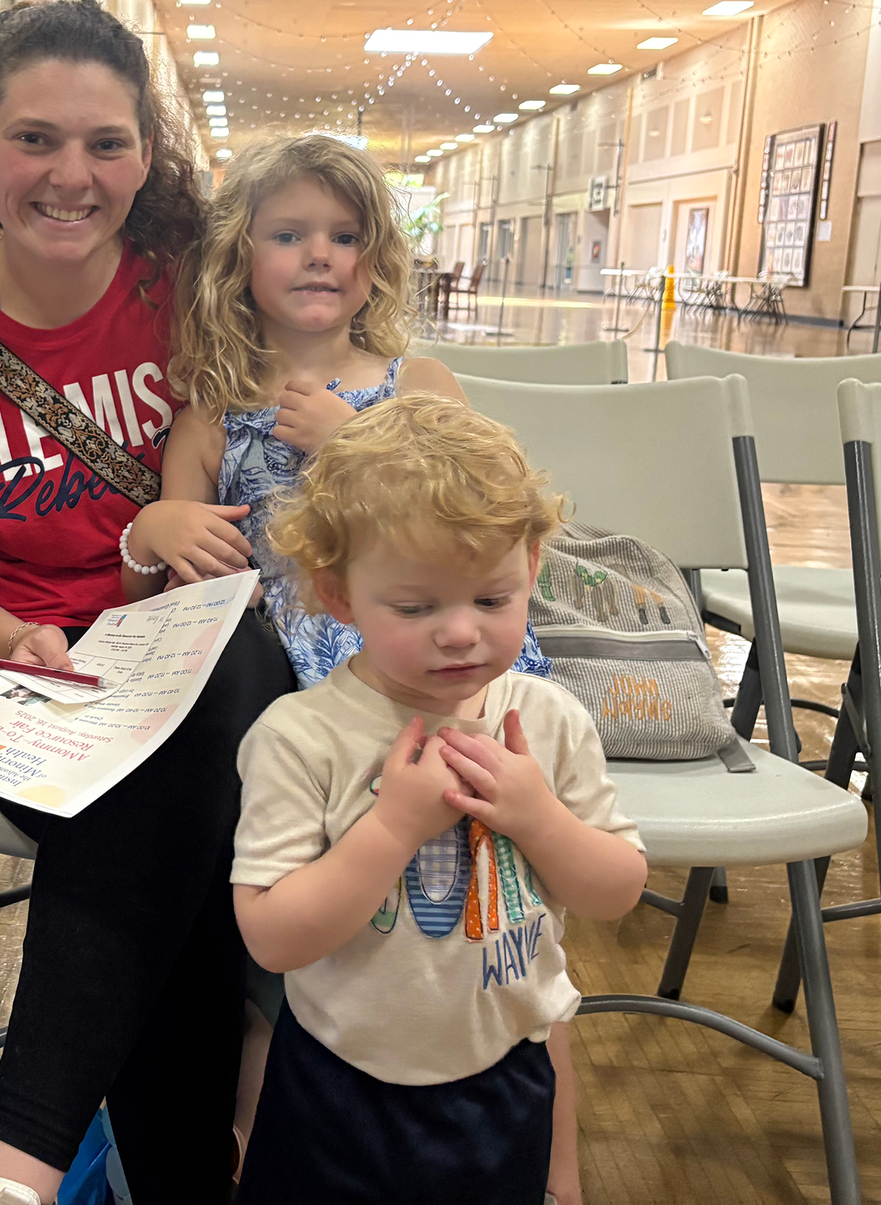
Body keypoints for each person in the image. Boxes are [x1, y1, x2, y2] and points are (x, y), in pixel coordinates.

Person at [0, 0, 297, 1205]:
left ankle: (20, 1160)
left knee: (204, 703)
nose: (72, 174)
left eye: (106, 143)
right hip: (33, 681)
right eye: (36, 138)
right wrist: (19, 638)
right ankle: (151, 1173)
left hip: (203, 657)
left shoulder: (188, 295)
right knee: (173, 832)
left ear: (146, 153)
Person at [232, 396, 647, 1205]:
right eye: (416, 608)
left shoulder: (546, 721)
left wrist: (537, 818)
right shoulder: (302, 736)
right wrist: (393, 826)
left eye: (491, 601)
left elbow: (616, 889)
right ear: (340, 594)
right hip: (336, 1087)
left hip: (503, 1080)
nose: (459, 633)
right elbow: (273, 937)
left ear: (530, 568)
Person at [125, 132, 549, 687]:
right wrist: (153, 532)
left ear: (375, 260)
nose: (320, 255)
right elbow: (161, 592)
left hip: (433, 650)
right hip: (273, 671)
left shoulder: (418, 386)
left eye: (346, 237)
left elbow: (481, 526)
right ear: (238, 257)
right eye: (287, 235)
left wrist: (355, 446)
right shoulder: (209, 423)